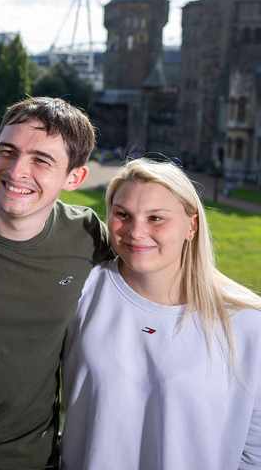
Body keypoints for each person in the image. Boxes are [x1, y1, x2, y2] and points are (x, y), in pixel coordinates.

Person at [0, 97, 112, 470]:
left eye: (41, 161)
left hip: (33, 458)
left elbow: (157, 278)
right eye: (8, 152)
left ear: (75, 177)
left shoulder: (87, 235)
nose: (16, 171)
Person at [61, 158, 261, 469]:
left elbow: (255, 450)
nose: (136, 231)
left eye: (156, 218)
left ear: (191, 225)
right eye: (122, 215)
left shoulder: (247, 322)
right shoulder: (83, 291)